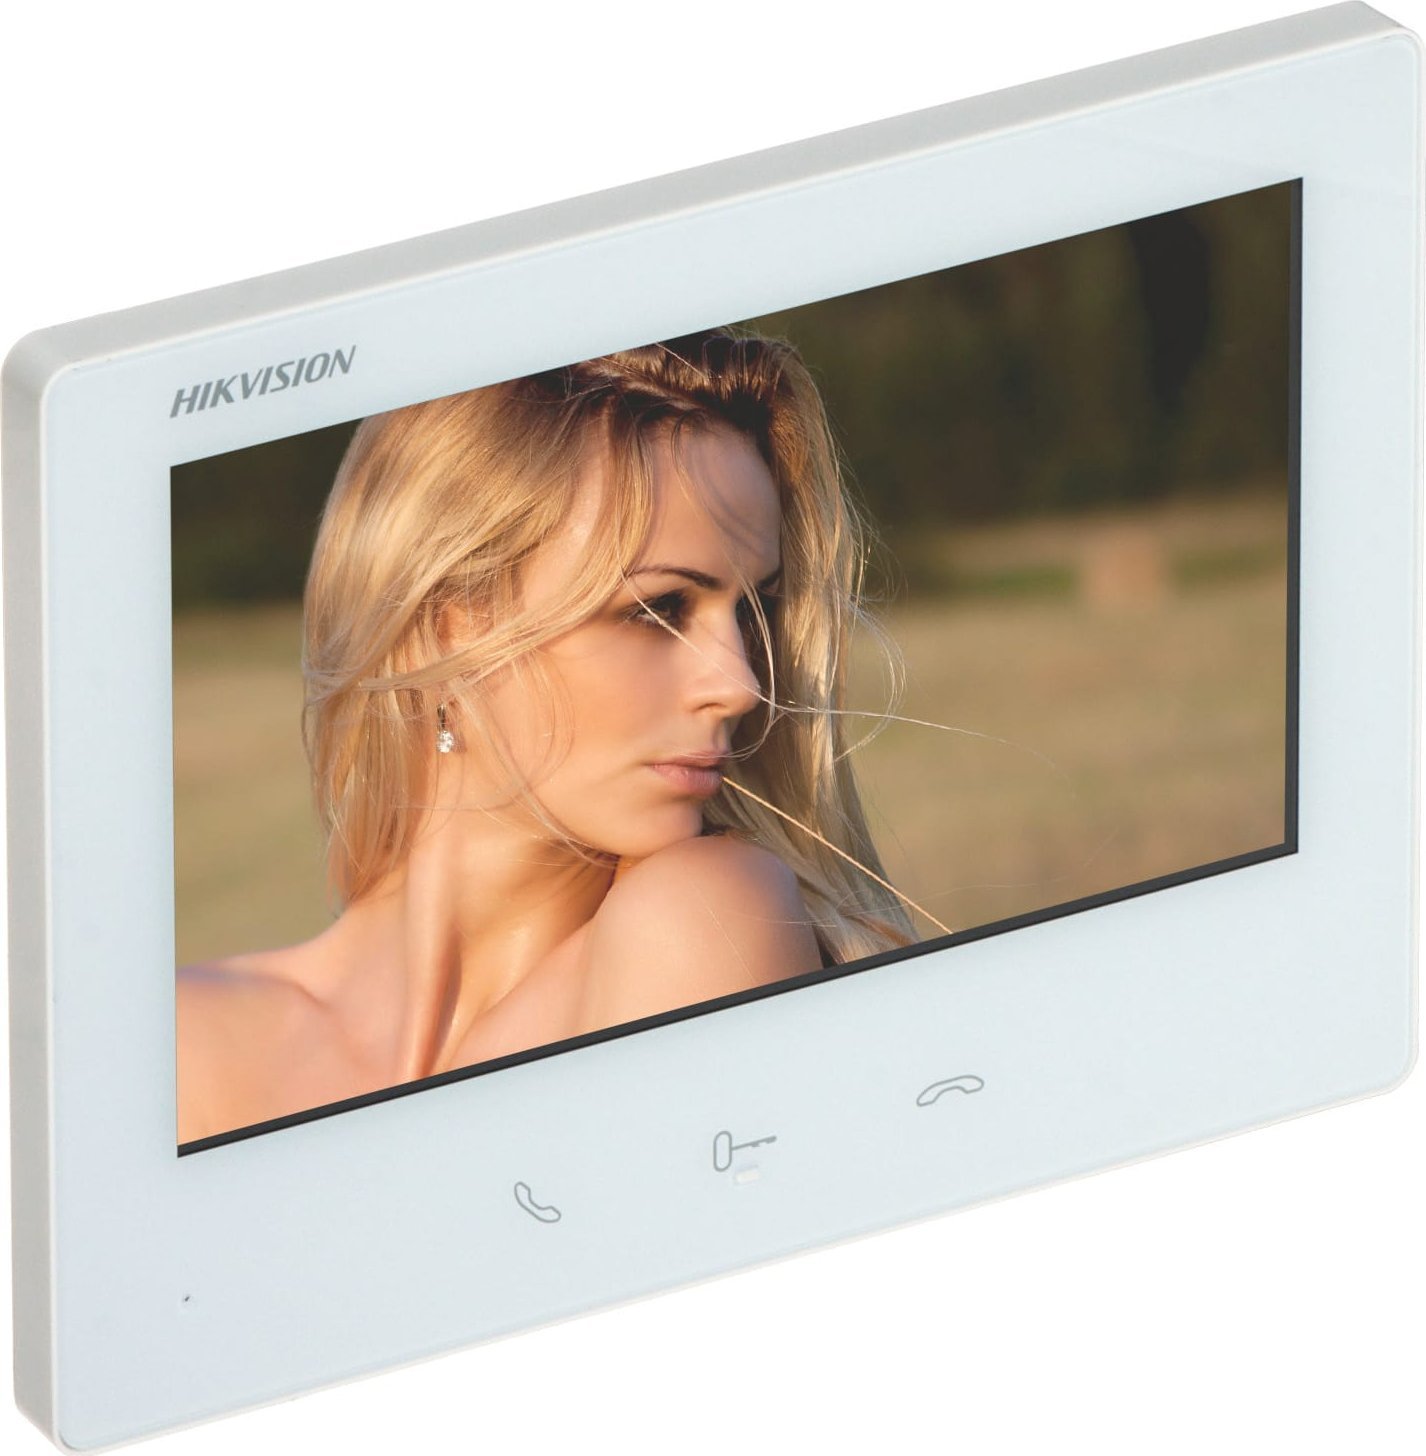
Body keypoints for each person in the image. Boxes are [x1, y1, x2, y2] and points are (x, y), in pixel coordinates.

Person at [176, 329, 930, 1144]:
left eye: (754, 610)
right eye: (658, 610)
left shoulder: (704, 914)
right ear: (447, 626)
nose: (741, 684)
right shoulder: (185, 1046)